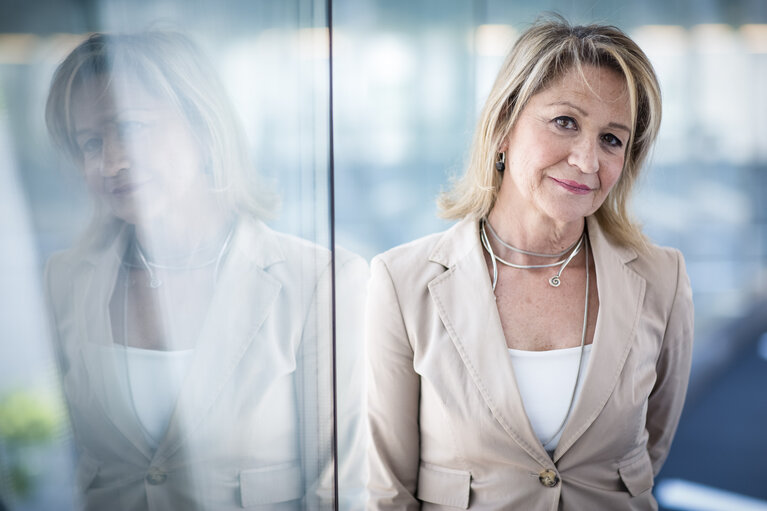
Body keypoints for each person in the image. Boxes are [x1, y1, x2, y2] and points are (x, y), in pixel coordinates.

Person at [365, 18, 693, 510]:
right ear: (503, 127)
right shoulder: (403, 283)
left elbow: (647, 452)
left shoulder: (660, 279)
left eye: (611, 139)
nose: (586, 160)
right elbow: (389, 491)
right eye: (565, 122)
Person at [44, 32, 367, 510]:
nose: (110, 163)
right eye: (90, 143)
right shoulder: (66, 280)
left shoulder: (319, 283)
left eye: (130, 129)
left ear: (203, 127)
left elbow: (344, 489)